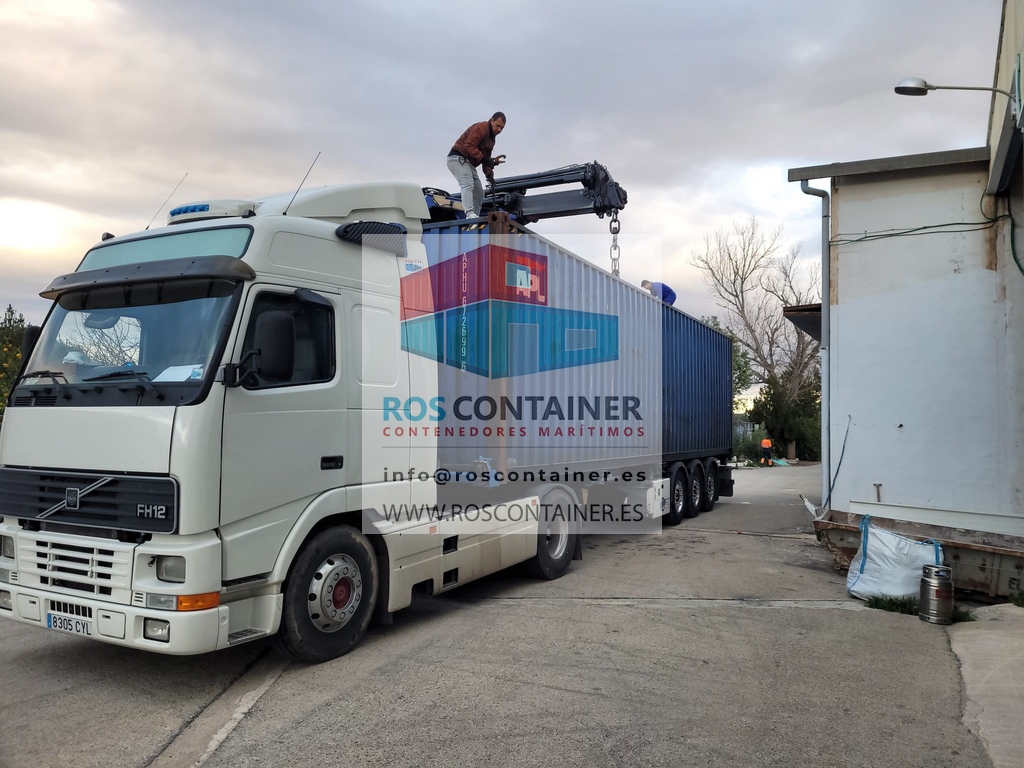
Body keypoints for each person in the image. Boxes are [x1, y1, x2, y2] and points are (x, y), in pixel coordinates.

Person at [447, 112, 506, 219]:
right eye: (498, 126)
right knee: (467, 183)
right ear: (492, 120)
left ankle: (475, 217)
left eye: (502, 128)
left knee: (479, 192)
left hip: (468, 163)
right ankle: (470, 214)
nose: (499, 130)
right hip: (457, 158)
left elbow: (486, 158)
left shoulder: (491, 140)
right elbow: (469, 145)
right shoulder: (480, 128)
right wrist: (485, 160)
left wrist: (489, 174)